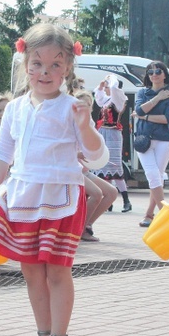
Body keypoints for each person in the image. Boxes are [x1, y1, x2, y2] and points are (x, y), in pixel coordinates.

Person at [0, 23, 106, 336]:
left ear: (68, 66)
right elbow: (2, 151)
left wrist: (85, 126)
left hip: (61, 194)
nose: (45, 72)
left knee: (57, 271)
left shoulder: (73, 108)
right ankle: (42, 335)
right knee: (31, 271)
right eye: (37, 63)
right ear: (25, 64)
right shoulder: (16, 107)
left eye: (55, 64)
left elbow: (98, 157)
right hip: (22, 195)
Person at [133, 61, 169, 228]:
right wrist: (158, 98)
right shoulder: (143, 92)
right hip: (143, 141)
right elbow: (139, 110)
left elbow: (167, 119)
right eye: (150, 72)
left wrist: (144, 117)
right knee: (153, 175)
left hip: (164, 141)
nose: (154, 74)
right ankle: (166, 217)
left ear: (164, 74)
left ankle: (149, 215)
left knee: (156, 177)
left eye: (158, 71)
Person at [74, 90, 117, 242]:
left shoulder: (90, 124)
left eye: (88, 104)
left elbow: (94, 150)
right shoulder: (70, 121)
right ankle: (79, 230)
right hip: (71, 170)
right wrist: (76, 155)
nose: (84, 107)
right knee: (97, 194)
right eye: (81, 104)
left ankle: (87, 225)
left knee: (112, 192)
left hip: (83, 170)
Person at [93, 75, 131, 213]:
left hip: (113, 134)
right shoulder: (107, 100)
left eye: (109, 86)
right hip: (103, 132)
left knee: (115, 165)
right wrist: (101, 85)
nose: (108, 88)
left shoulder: (119, 100)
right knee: (104, 165)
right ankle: (109, 201)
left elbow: (115, 87)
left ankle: (126, 200)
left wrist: (111, 78)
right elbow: (98, 97)